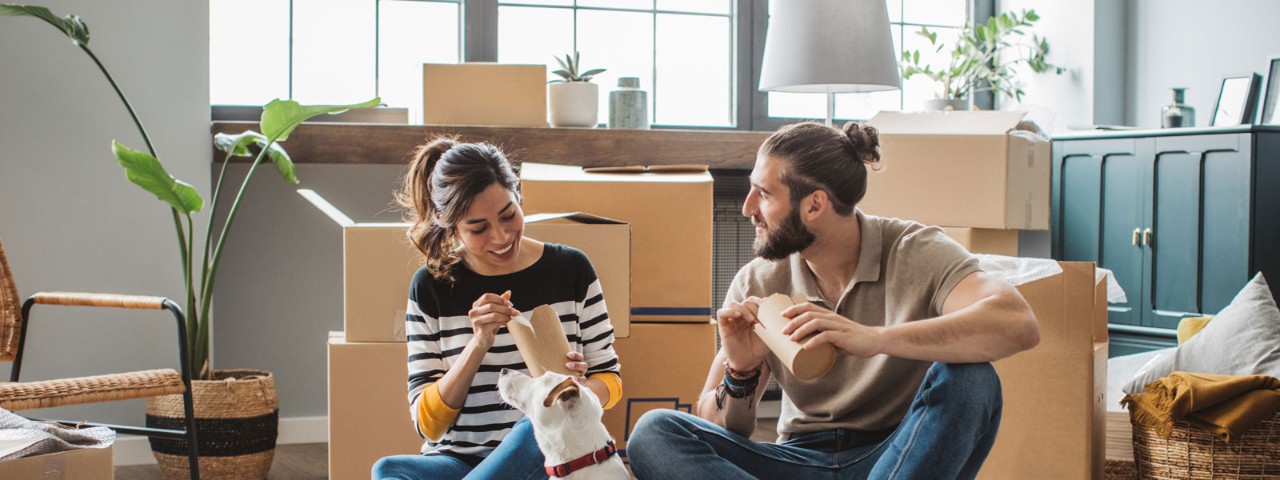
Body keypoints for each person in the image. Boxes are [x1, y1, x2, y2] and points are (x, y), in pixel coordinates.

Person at [626, 121, 1040, 479]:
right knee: (655, 432)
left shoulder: (915, 249)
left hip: (897, 458)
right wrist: (740, 369)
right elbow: (725, 428)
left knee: (972, 379)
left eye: (763, 194)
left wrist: (874, 338)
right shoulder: (759, 279)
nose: (747, 207)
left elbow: (1017, 323)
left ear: (814, 204)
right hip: (797, 459)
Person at [372, 137, 622, 480]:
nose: (501, 237)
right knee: (389, 470)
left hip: (545, 458)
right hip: (458, 462)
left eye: (509, 215)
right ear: (451, 225)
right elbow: (428, 426)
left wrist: (575, 394)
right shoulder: (430, 287)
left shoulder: (572, 269)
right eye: (478, 228)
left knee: (534, 424)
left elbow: (609, 379)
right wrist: (478, 344)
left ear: (518, 197)